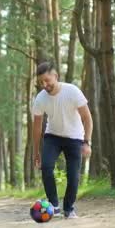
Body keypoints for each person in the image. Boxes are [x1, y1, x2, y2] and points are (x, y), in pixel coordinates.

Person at [32, 61, 93, 219]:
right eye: (41, 82)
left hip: (75, 138)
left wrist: (87, 142)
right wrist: (36, 152)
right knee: (46, 167)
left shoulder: (72, 91)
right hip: (53, 136)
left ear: (55, 76)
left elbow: (87, 118)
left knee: (73, 176)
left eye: (47, 80)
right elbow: (37, 127)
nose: (44, 85)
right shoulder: (40, 99)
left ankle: (68, 208)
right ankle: (54, 205)